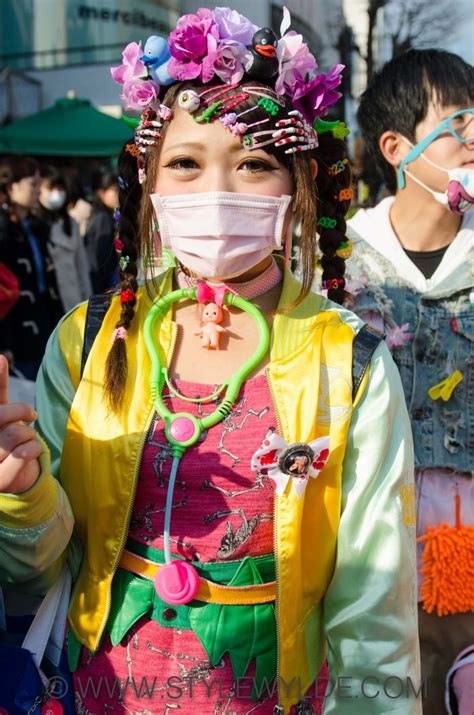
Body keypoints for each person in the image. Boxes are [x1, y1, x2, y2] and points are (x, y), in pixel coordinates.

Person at [0, 8, 421, 714]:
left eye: (254, 164)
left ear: (298, 186)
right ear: (150, 187)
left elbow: (373, 609)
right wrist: (19, 492)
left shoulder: (347, 359)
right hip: (96, 691)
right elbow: (31, 567)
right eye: (186, 165)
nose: (215, 191)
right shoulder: (90, 338)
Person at [344, 49, 474, 714]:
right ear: (396, 146)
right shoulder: (339, 261)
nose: (473, 137)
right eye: (456, 122)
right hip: (366, 531)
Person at [0, 156, 62, 379]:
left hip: (42, 322)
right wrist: (3, 343)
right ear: (10, 186)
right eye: (32, 184)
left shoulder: (36, 226)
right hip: (14, 333)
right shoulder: (3, 230)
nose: (38, 191)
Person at [39, 165, 92, 313]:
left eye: (60, 188)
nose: (56, 194)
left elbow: (82, 266)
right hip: (52, 303)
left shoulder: (70, 223)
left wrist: (87, 300)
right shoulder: (37, 225)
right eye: (50, 189)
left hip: (74, 300)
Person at [84, 170, 119, 293]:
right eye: (114, 190)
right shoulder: (102, 218)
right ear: (101, 193)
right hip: (103, 284)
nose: (118, 195)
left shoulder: (104, 215)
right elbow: (102, 256)